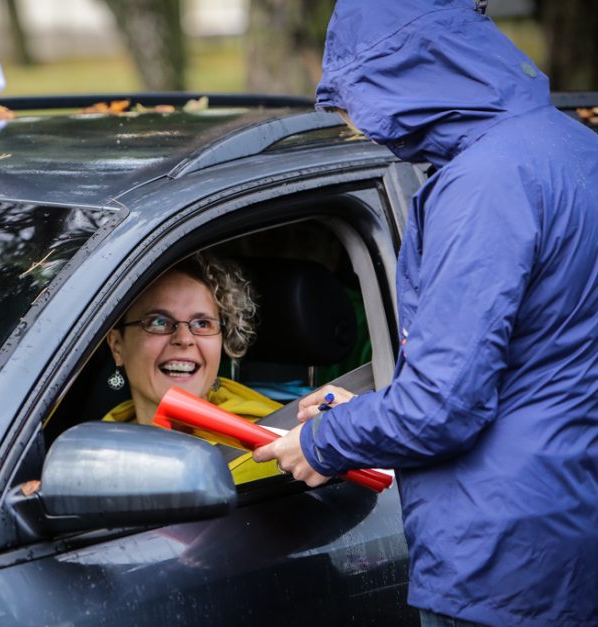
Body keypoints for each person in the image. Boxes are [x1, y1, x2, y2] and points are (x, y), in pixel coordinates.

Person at [254, 1, 598, 625]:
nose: (357, 124)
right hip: (565, 520)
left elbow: (443, 407)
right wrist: (364, 409)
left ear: (405, 69)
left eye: (356, 96)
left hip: (499, 560)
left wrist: (324, 441)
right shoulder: (571, 144)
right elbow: (531, 362)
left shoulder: (485, 182)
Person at [102, 253, 282, 483]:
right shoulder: (92, 450)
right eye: (159, 321)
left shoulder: (276, 446)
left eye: (202, 324)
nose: (185, 338)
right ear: (117, 346)